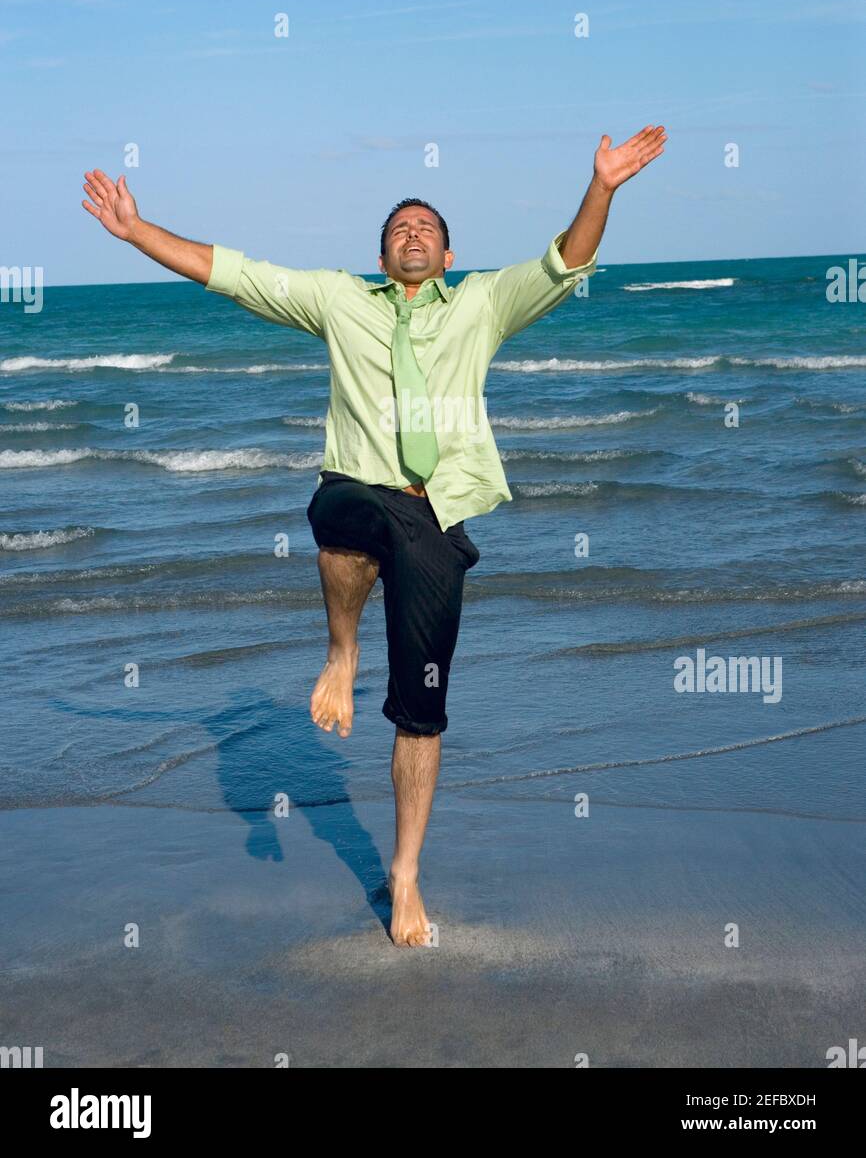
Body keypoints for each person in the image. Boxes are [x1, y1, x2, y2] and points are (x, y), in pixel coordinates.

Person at [81, 124, 666, 945]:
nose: (412, 234)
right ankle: (342, 649)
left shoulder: (483, 306)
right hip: (353, 494)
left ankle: (405, 876)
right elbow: (235, 273)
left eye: (426, 227)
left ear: (449, 255)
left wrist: (601, 186)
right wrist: (137, 230)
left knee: (422, 713)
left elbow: (564, 261)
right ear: (382, 254)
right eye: (399, 229)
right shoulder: (338, 300)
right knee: (344, 515)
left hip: (435, 518)